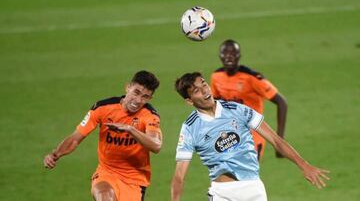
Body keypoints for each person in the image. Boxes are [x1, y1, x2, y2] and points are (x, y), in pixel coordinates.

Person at [171, 72, 329, 201]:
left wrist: (304, 165)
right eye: (196, 90)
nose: (205, 90)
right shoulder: (190, 128)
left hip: (254, 189)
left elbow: (275, 139)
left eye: (204, 84)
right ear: (189, 101)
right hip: (223, 194)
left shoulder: (238, 110)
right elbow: (179, 175)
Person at [43, 70, 163, 201]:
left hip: (135, 178)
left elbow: (156, 145)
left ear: (150, 99)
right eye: (136, 92)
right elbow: (76, 138)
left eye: (145, 97)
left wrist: (130, 129)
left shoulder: (149, 115)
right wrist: (56, 154)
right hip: (107, 172)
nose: (138, 100)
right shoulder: (102, 108)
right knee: (104, 196)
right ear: (128, 87)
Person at [210, 39, 288, 160]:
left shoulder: (252, 78)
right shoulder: (216, 77)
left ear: (239, 56)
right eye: (225, 53)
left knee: (246, 175)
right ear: (220, 56)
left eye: (233, 53)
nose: (229, 57)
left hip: (253, 134)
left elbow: (282, 102)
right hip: (229, 135)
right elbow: (213, 105)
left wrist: (280, 143)